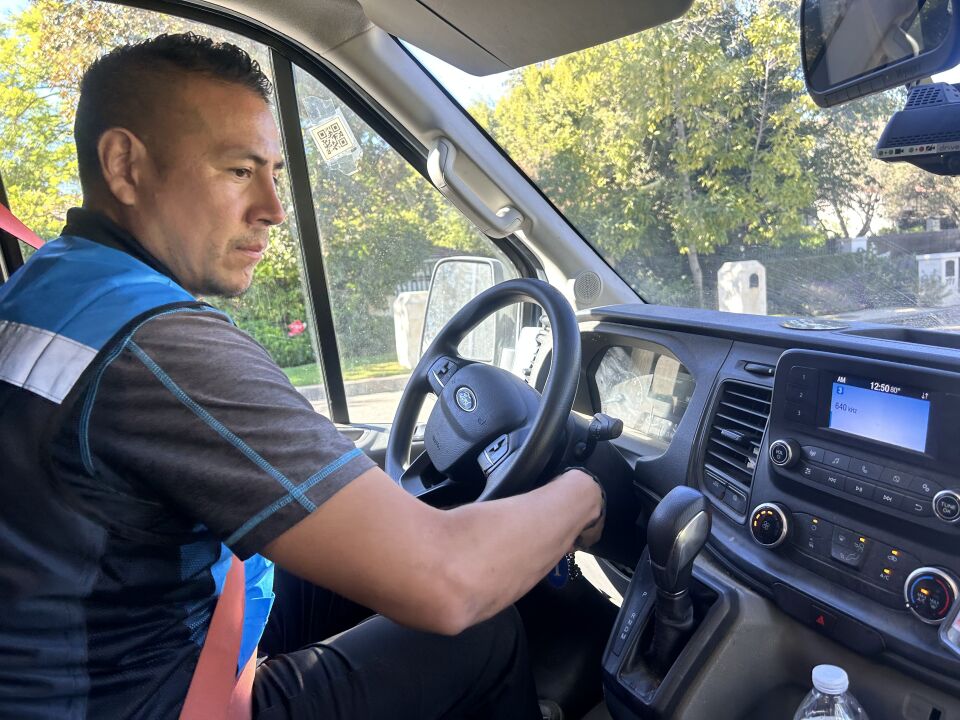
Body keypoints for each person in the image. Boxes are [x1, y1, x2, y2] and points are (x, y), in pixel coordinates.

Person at [0, 33, 604, 719]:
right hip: (151, 703)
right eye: (239, 170)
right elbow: (449, 581)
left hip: (109, 656)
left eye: (275, 174)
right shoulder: (156, 345)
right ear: (124, 166)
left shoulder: (51, 290)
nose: (273, 208)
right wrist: (583, 493)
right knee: (478, 633)